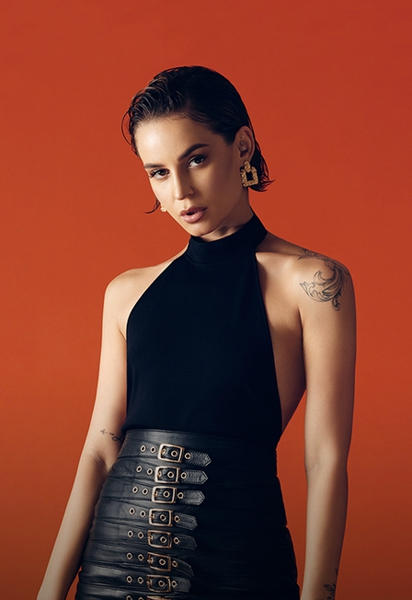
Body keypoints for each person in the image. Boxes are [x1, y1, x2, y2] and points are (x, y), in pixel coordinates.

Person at [38, 66, 355, 600]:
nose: (180, 192)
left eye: (197, 159)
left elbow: (326, 459)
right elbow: (100, 451)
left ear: (243, 146)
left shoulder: (315, 283)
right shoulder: (127, 292)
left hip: (238, 562)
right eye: (158, 172)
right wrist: (50, 591)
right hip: (111, 566)